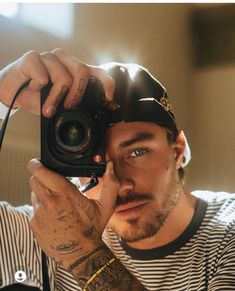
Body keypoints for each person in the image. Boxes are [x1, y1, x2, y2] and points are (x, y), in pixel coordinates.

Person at [0, 49, 234, 291]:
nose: (120, 184)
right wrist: (2, 95)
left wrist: (81, 251)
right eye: (96, 160)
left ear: (177, 151)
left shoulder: (227, 231)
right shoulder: (46, 230)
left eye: (137, 152)